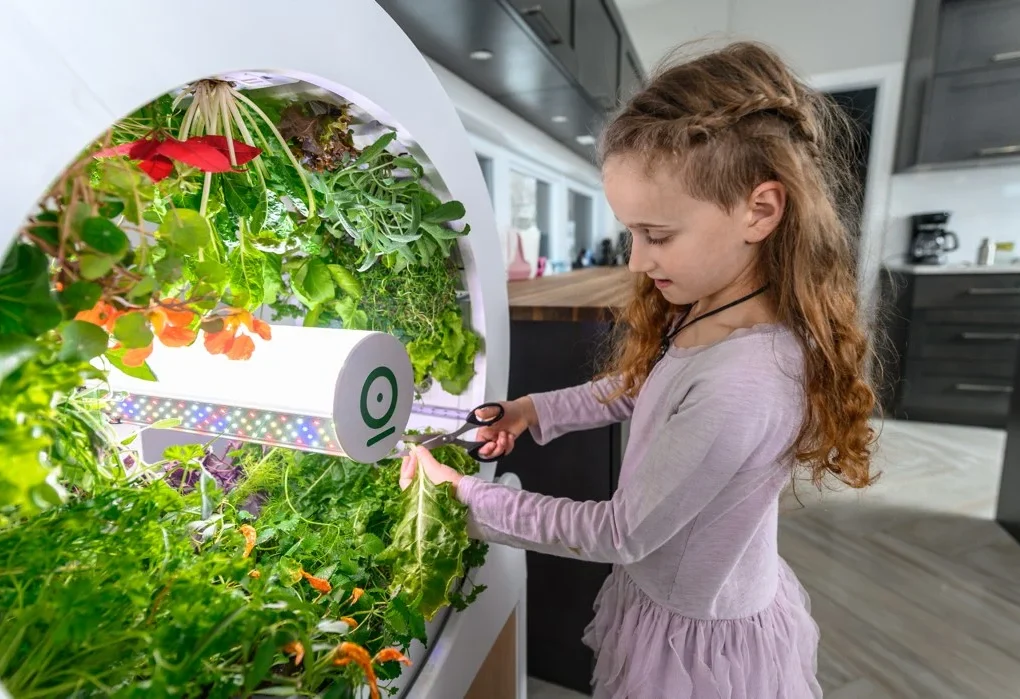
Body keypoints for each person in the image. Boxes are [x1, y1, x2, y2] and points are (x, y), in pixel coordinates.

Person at [401, 40, 878, 699]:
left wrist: (466, 498)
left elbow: (619, 531)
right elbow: (640, 386)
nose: (635, 260)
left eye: (656, 234)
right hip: (684, 599)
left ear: (759, 211)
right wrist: (534, 410)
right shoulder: (713, 308)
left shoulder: (745, 381)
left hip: (695, 650)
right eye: (631, 232)